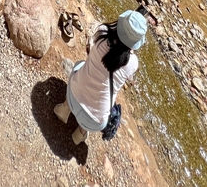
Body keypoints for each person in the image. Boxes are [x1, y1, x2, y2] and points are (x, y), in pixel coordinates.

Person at [54, 9, 147, 145]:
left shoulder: (102, 32)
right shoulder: (133, 63)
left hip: (73, 95)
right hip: (95, 121)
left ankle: (64, 109)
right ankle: (80, 134)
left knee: (80, 65)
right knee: (101, 104)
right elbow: (121, 55)